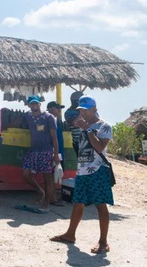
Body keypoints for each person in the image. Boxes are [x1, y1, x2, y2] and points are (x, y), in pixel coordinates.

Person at [51, 96, 113, 255]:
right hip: (83, 169)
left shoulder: (104, 126)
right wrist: (83, 128)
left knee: (100, 204)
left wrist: (88, 129)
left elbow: (99, 147)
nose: (83, 113)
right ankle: (70, 235)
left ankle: (103, 242)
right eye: (81, 110)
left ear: (95, 109)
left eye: (85, 109)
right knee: (78, 202)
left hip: (98, 170)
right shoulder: (82, 126)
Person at [21, 95, 59, 212]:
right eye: (32, 104)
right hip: (33, 150)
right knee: (26, 173)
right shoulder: (27, 116)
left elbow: (54, 136)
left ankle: (46, 205)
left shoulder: (49, 117)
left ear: (40, 104)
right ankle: (40, 191)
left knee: (47, 177)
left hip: (46, 151)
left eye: (36, 104)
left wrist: (56, 154)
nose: (34, 106)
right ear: (29, 105)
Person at [47, 100, 67, 206]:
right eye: (57, 108)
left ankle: (52, 196)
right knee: (50, 175)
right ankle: (51, 197)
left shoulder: (56, 120)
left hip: (58, 152)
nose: (59, 110)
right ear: (51, 109)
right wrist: (55, 153)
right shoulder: (50, 120)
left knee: (53, 174)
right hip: (54, 152)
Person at [64, 91, 84, 155]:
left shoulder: (87, 110)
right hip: (78, 143)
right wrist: (81, 112)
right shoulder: (68, 112)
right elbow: (75, 123)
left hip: (90, 142)